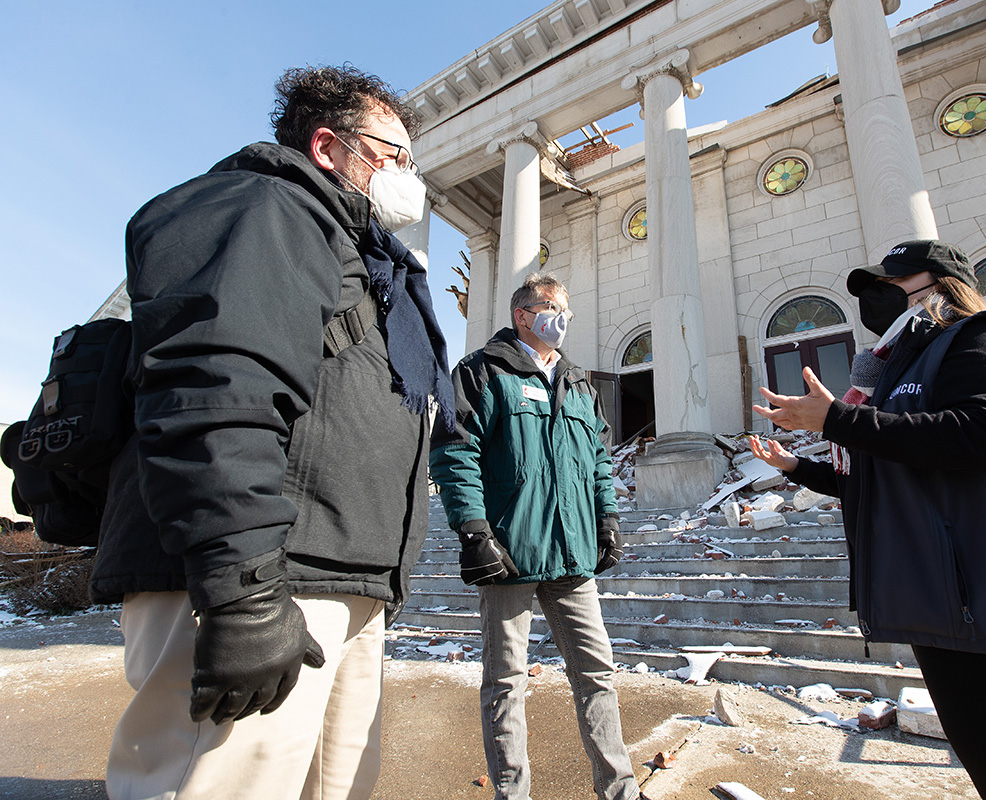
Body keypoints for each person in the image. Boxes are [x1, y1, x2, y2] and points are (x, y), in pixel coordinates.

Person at [93, 65, 453, 800]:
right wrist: (244, 592)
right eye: (396, 157)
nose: (409, 178)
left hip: (336, 574)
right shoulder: (265, 209)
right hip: (262, 574)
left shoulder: (362, 257)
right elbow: (216, 388)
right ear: (330, 147)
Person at [749, 240, 986, 800]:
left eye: (891, 286)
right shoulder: (897, 373)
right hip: (947, 613)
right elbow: (876, 481)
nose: (878, 302)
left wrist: (840, 419)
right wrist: (794, 466)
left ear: (938, 283)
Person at [429, 273, 643, 800]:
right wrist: (474, 531)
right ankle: (513, 792)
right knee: (506, 683)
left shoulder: (577, 381)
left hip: (573, 557)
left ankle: (619, 789)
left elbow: (597, 459)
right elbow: (456, 455)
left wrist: (607, 518)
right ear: (523, 315)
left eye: (566, 309)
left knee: (597, 673)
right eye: (551, 307)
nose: (561, 318)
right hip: (509, 555)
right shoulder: (482, 372)